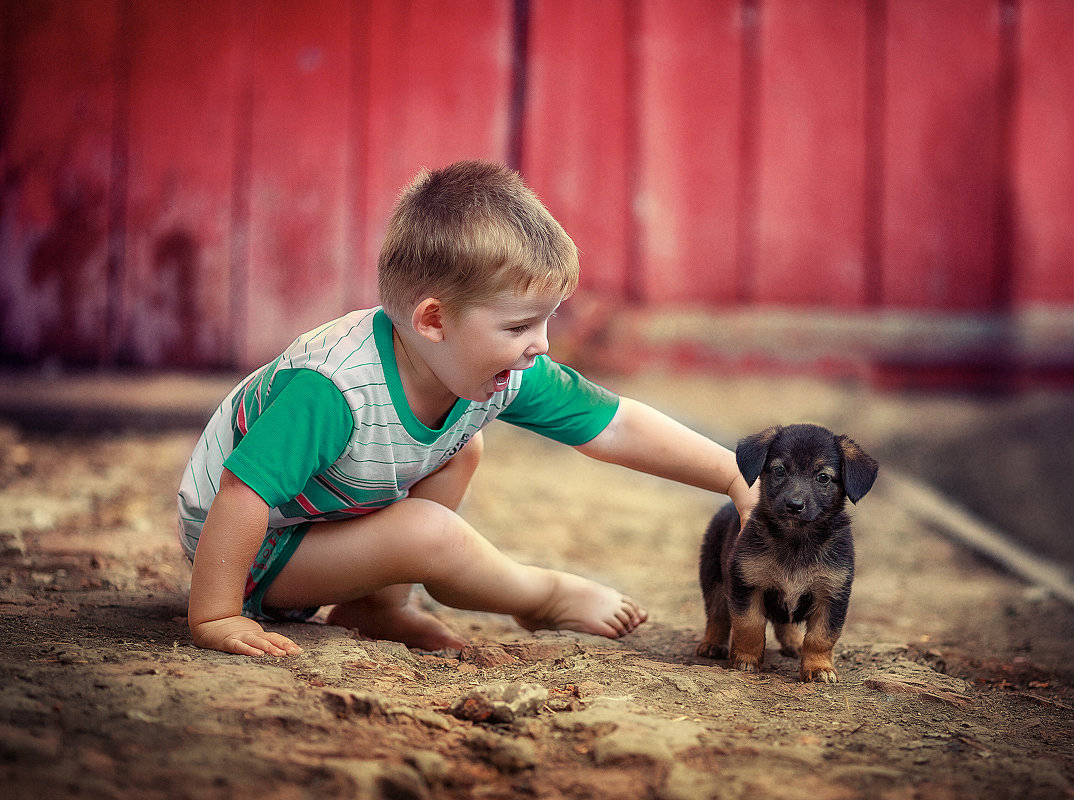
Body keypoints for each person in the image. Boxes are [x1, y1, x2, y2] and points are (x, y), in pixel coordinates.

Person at [177, 160, 756, 658]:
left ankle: (374, 608)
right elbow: (242, 492)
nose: (543, 343)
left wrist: (734, 475)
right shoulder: (333, 387)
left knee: (461, 444)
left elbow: (617, 424)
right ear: (434, 320)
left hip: (325, 517)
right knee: (429, 533)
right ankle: (540, 597)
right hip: (243, 550)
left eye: (548, 319)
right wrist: (217, 614)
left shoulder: (494, 365)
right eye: (520, 324)